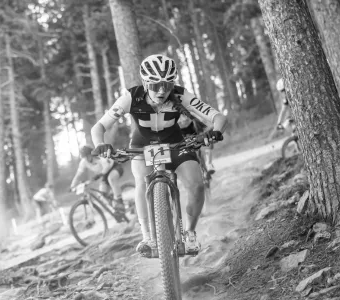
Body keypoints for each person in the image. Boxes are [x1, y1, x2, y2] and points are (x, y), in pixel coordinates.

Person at [90, 54, 227, 255]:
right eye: (155, 85)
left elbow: (218, 117)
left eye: (167, 84)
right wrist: (100, 144)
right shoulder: (131, 97)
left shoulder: (180, 95)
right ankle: (148, 237)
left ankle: (189, 234)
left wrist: (214, 132)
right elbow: (99, 126)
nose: (162, 91)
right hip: (142, 147)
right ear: (145, 83)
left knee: (197, 186)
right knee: (141, 181)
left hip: (176, 144)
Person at [70, 145, 125, 212]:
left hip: (114, 167)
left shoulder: (99, 156)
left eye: (87, 156)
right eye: (84, 157)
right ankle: (116, 210)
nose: (86, 158)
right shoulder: (84, 162)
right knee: (101, 195)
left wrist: (96, 177)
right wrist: (72, 185)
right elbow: (78, 175)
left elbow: (106, 167)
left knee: (111, 178)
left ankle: (119, 201)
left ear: (91, 153)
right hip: (104, 174)